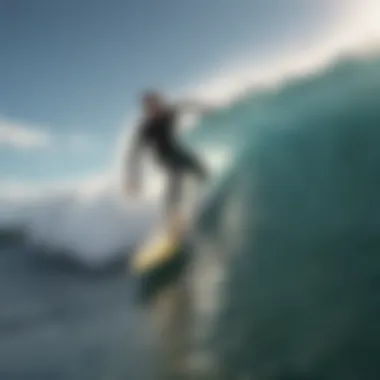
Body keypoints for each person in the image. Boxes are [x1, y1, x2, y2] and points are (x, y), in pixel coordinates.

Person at [126, 90, 213, 224]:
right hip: (163, 158)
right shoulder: (146, 128)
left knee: (198, 166)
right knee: (175, 175)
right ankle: (172, 216)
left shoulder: (169, 113)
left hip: (177, 150)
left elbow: (186, 106)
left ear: (160, 103)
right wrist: (134, 178)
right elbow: (134, 154)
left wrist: (204, 109)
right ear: (146, 110)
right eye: (150, 108)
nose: (154, 109)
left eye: (156, 104)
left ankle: (206, 193)